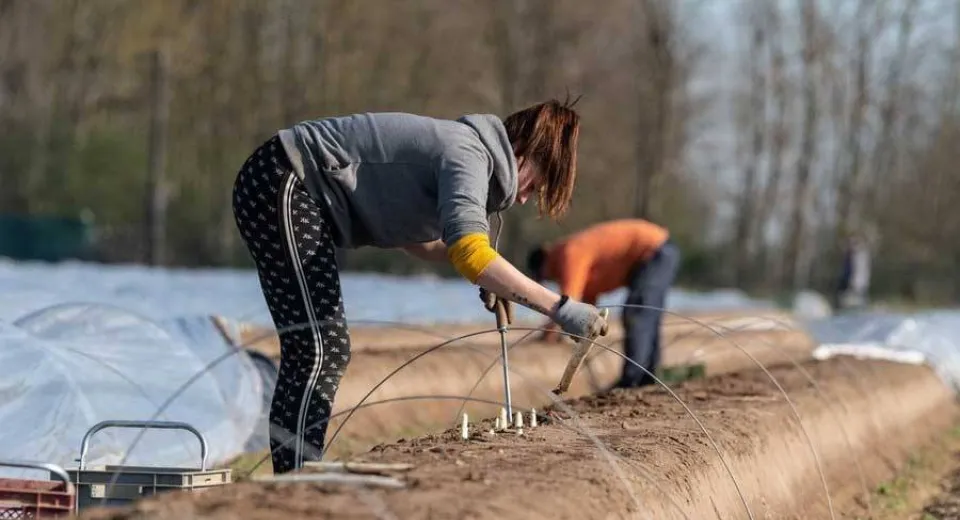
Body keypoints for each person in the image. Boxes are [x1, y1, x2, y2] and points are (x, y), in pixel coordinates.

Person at [231, 99, 610, 474]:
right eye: (535, 184)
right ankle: (297, 476)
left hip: (285, 184)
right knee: (319, 348)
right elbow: (469, 253)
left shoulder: (467, 155)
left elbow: (425, 243)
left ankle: (299, 471)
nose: (525, 197)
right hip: (285, 177)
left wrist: (496, 276)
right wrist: (561, 308)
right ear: (522, 150)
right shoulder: (468, 154)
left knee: (322, 348)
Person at [527, 219, 681, 389]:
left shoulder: (570, 253)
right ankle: (647, 379)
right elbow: (587, 305)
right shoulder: (574, 255)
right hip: (659, 251)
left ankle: (633, 380)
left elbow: (568, 304)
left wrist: (549, 333)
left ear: (545, 261)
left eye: (543, 276)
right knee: (647, 316)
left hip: (654, 250)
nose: (548, 280)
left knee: (638, 315)